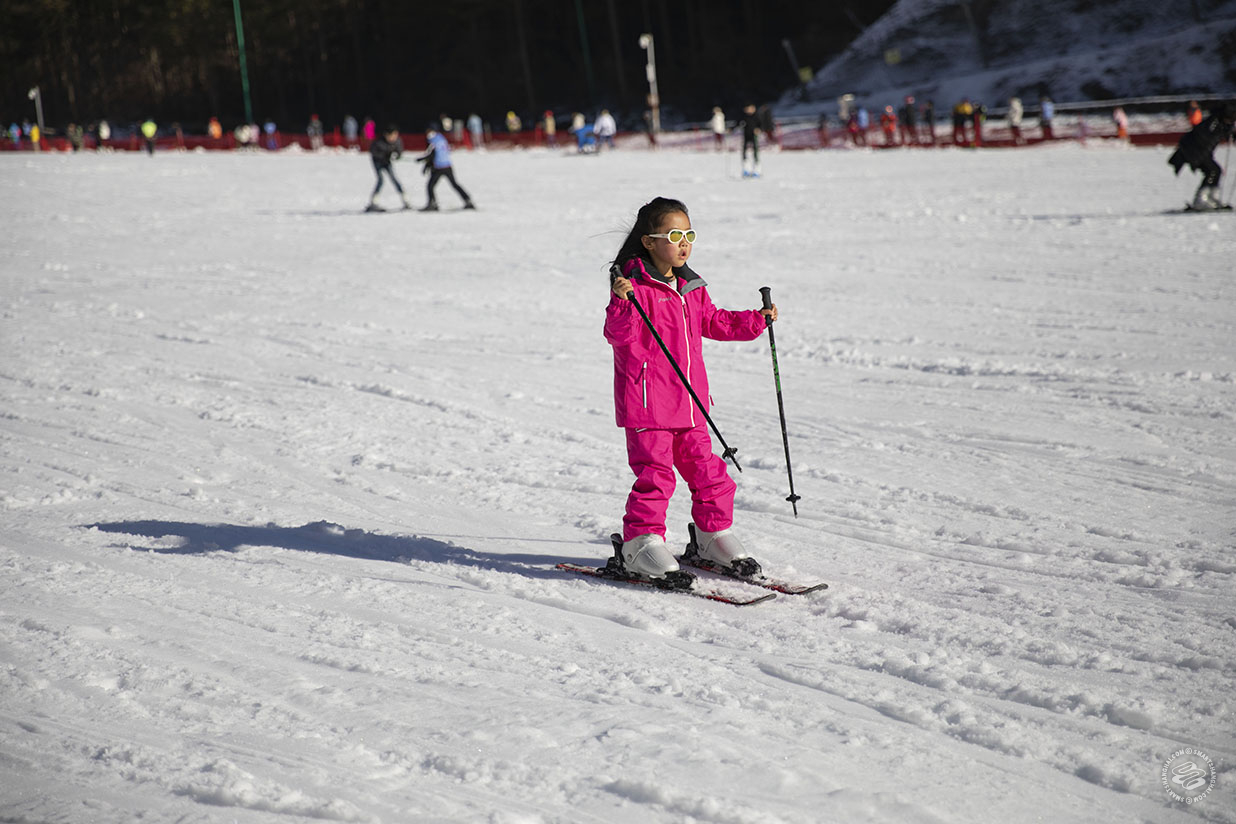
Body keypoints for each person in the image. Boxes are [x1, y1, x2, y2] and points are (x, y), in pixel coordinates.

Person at [603, 196, 776, 579]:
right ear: (649, 241)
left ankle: (712, 536)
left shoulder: (691, 286)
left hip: (691, 403)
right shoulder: (632, 287)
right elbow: (618, 336)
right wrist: (620, 302)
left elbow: (713, 322)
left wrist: (755, 320)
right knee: (656, 476)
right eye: (675, 234)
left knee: (710, 472)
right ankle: (640, 543)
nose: (684, 243)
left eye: (689, 234)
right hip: (648, 405)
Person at [1168, 103, 1235, 210]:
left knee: (1215, 171)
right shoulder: (1213, 122)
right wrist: (1225, 131)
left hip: (1201, 152)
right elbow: (1205, 135)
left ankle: (1211, 198)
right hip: (1194, 151)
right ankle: (1201, 199)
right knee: (1213, 171)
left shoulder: (1221, 122)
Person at [417, 124, 475, 211]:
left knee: (430, 186)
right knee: (454, 184)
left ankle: (432, 204)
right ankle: (467, 200)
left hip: (439, 167)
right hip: (447, 165)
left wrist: (424, 162)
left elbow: (431, 155)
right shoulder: (441, 138)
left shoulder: (432, 140)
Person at [365, 125, 410, 212]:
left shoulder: (397, 141)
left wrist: (397, 155)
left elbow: (399, 151)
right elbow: (373, 152)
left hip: (387, 162)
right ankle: (373, 202)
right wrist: (384, 155)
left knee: (394, 179)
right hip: (378, 162)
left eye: (395, 135)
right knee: (381, 180)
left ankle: (406, 201)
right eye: (391, 136)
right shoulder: (378, 142)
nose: (393, 138)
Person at [739, 103, 761, 175]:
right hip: (746, 135)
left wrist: (758, 129)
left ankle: (757, 170)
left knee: (755, 152)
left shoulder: (757, 116)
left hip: (754, 136)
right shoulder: (744, 116)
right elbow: (739, 123)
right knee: (744, 152)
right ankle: (746, 169)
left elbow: (761, 124)